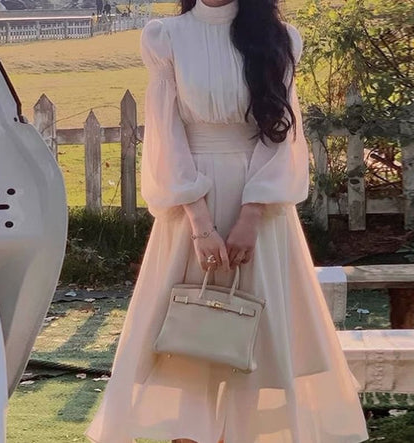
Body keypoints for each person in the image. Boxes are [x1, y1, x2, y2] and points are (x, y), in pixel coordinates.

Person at [85, 1, 370, 442]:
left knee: (258, 340)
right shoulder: (165, 38)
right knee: (185, 337)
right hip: (190, 203)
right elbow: (167, 134)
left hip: (262, 205)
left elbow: (282, 136)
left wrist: (252, 215)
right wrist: (200, 224)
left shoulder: (279, 39)